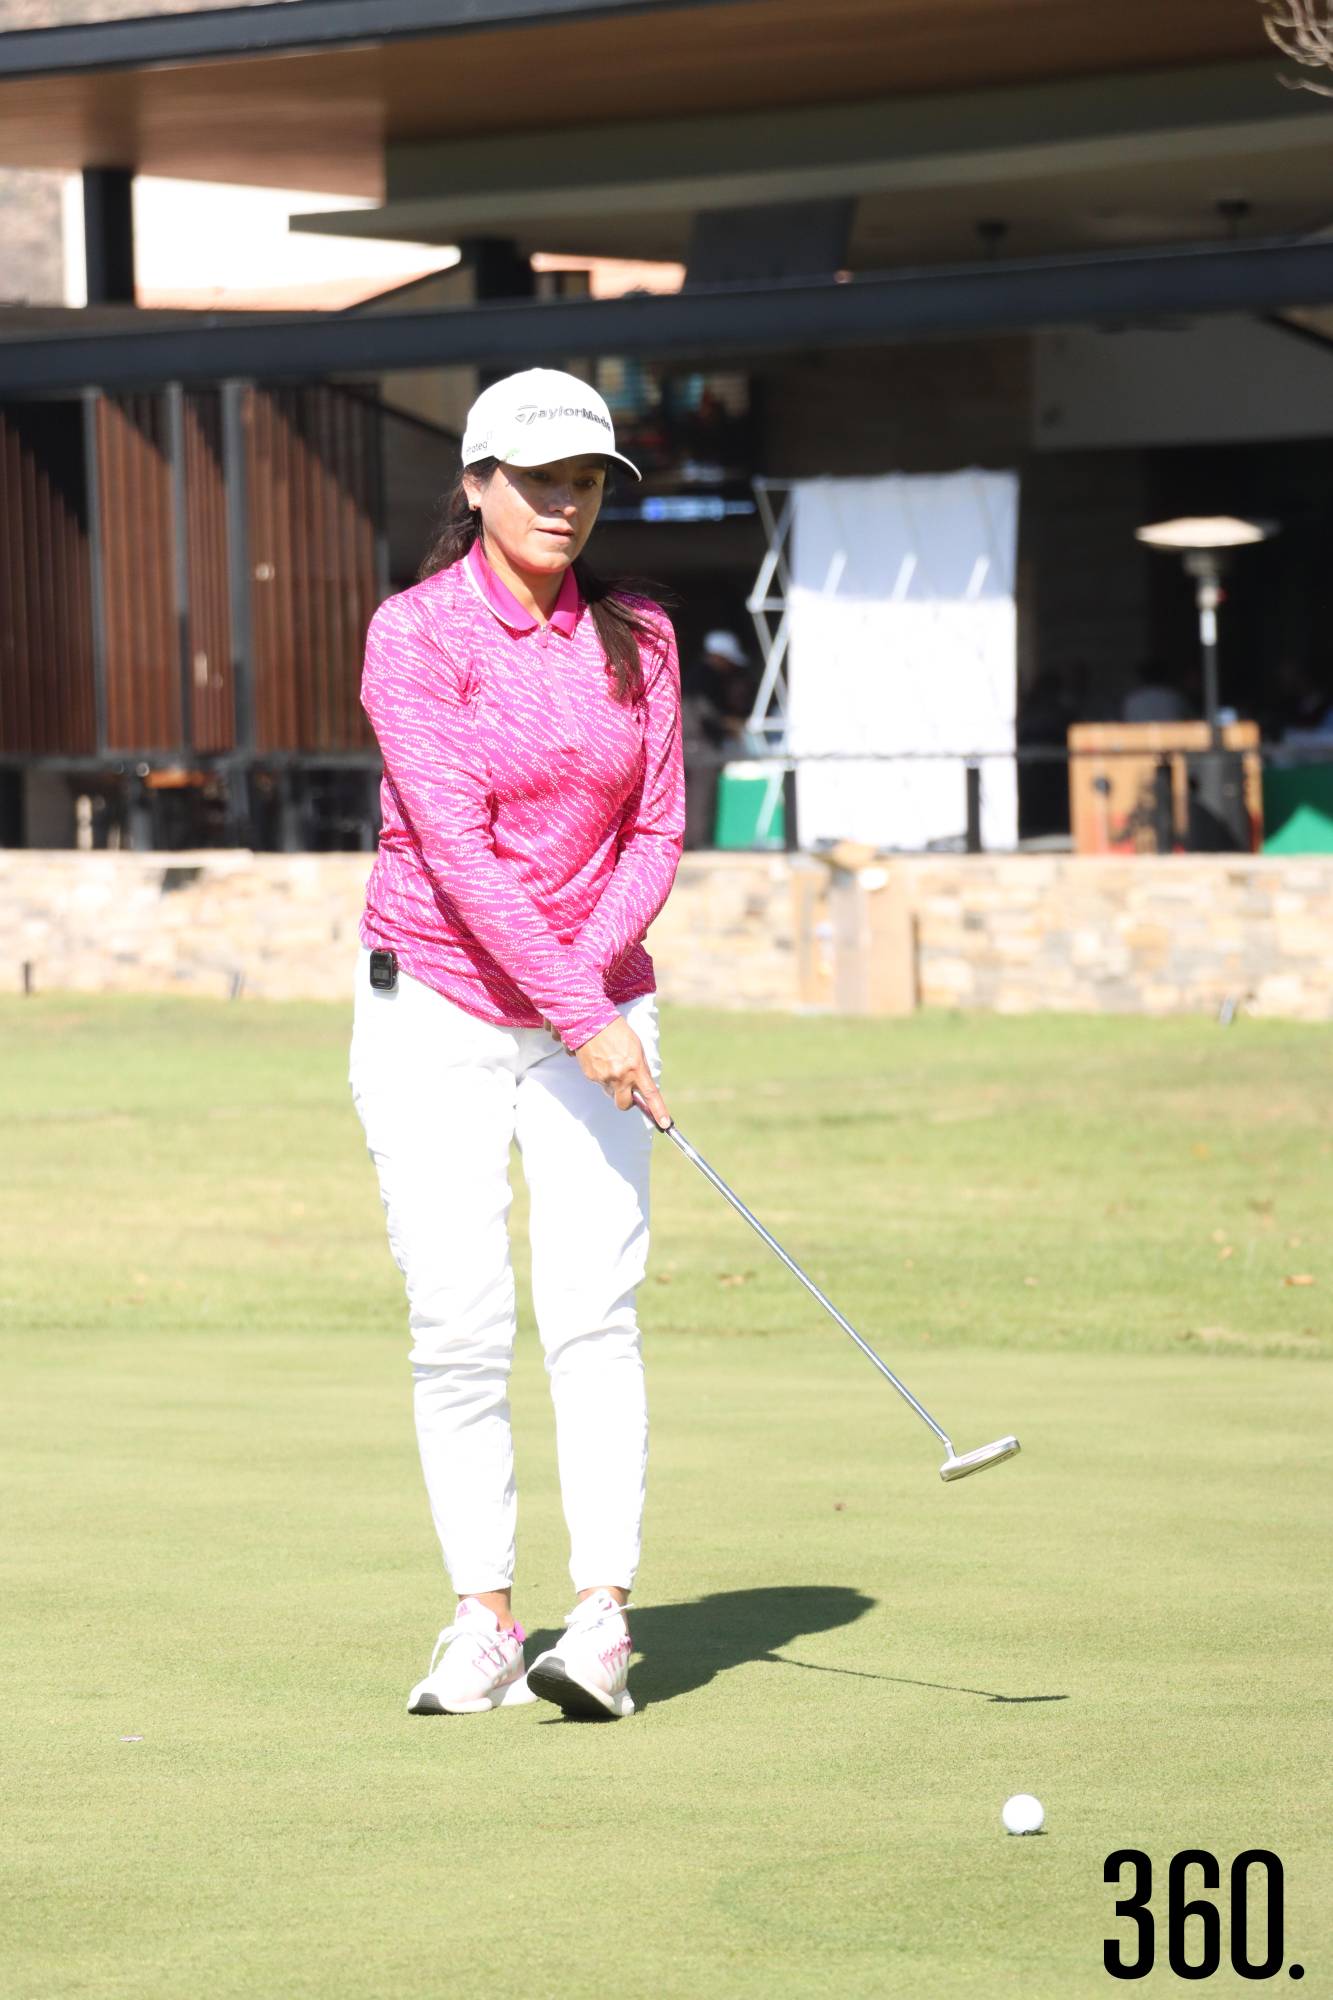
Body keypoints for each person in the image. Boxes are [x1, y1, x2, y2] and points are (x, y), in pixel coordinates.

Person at [349, 368, 684, 1722]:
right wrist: (579, 1009)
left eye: (587, 481)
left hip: (590, 1007)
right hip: (432, 1002)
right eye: (540, 478)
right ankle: (483, 1620)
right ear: (477, 482)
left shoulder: (640, 636)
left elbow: (656, 830)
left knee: (594, 1312)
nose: (564, 503)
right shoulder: (414, 634)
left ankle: (600, 1618)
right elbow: (456, 851)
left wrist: (584, 995)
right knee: (459, 1321)